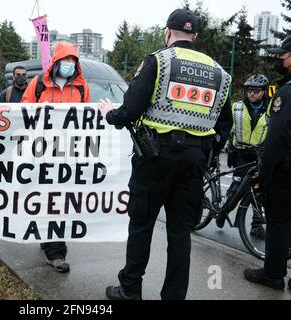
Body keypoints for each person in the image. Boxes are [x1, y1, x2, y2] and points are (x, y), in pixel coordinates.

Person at [98, 9, 233, 300]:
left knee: (142, 225)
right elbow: (225, 126)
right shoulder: (220, 73)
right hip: (194, 161)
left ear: (167, 32)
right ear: (195, 36)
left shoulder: (158, 61)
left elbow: (130, 110)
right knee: (180, 233)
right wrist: (204, 150)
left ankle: (130, 290)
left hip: (155, 157)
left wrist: (111, 114)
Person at [22, 42, 91, 273]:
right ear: (56, 61)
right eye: (66, 60)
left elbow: (88, 118)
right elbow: (24, 110)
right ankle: (56, 252)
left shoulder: (81, 87)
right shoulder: (39, 83)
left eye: (73, 60)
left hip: (69, 155)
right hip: (42, 152)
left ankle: (54, 247)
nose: (69, 64)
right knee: (45, 198)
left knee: (61, 201)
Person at [244, 35, 291, 291]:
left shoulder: (287, 91)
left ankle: (273, 274)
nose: (279, 60)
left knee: (279, 223)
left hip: (285, 172)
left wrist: (264, 173)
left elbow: (277, 138)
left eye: (283, 56)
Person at [216, 74, 270, 238]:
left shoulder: (271, 110)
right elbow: (227, 127)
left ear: (264, 92)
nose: (251, 93)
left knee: (258, 191)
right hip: (240, 154)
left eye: (256, 91)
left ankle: (256, 226)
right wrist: (222, 146)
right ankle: (224, 210)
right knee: (237, 188)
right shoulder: (237, 107)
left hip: (259, 156)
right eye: (249, 90)